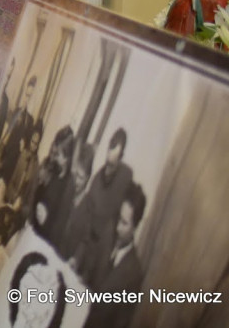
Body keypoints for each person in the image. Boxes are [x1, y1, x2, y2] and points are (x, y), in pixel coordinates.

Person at [85, 182, 147, 327]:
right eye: (119, 218)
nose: (118, 227)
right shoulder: (108, 237)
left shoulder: (134, 274)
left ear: (135, 227)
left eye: (124, 223)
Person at [80, 128, 134, 288]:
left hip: (104, 253)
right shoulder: (97, 179)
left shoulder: (125, 177)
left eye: (113, 164)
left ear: (121, 157)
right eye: (107, 162)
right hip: (87, 248)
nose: (108, 168)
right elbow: (86, 218)